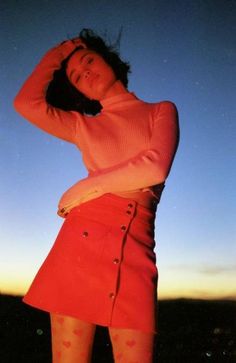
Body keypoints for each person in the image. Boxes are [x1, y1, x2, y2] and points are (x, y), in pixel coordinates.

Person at [14, 28, 179, 363]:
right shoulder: (81, 126)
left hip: (137, 246)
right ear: (76, 90)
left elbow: (155, 168)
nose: (84, 72)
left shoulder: (161, 110)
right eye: (75, 75)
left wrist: (84, 187)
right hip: (80, 244)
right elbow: (25, 103)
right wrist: (60, 53)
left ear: (110, 61)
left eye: (89, 60)